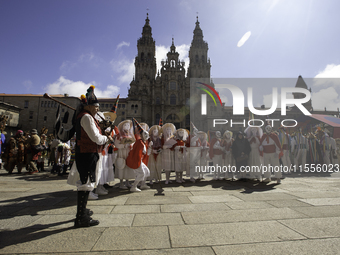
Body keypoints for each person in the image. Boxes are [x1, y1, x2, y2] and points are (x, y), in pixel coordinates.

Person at [69, 85, 114, 228]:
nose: (98, 109)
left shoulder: (87, 117)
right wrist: (106, 139)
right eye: (96, 107)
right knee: (85, 184)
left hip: (88, 154)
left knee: (87, 183)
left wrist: (102, 127)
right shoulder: (87, 118)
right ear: (88, 106)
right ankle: (80, 217)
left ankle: (83, 211)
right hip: (87, 154)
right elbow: (95, 138)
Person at [126, 118, 152, 192]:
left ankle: (143, 184)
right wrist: (139, 163)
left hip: (139, 160)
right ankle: (134, 187)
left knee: (147, 171)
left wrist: (149, 146)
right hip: (137, 160)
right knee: (141, 173)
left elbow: (146, 153)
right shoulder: (139, 143)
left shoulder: (143, 142)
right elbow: (137, 154)